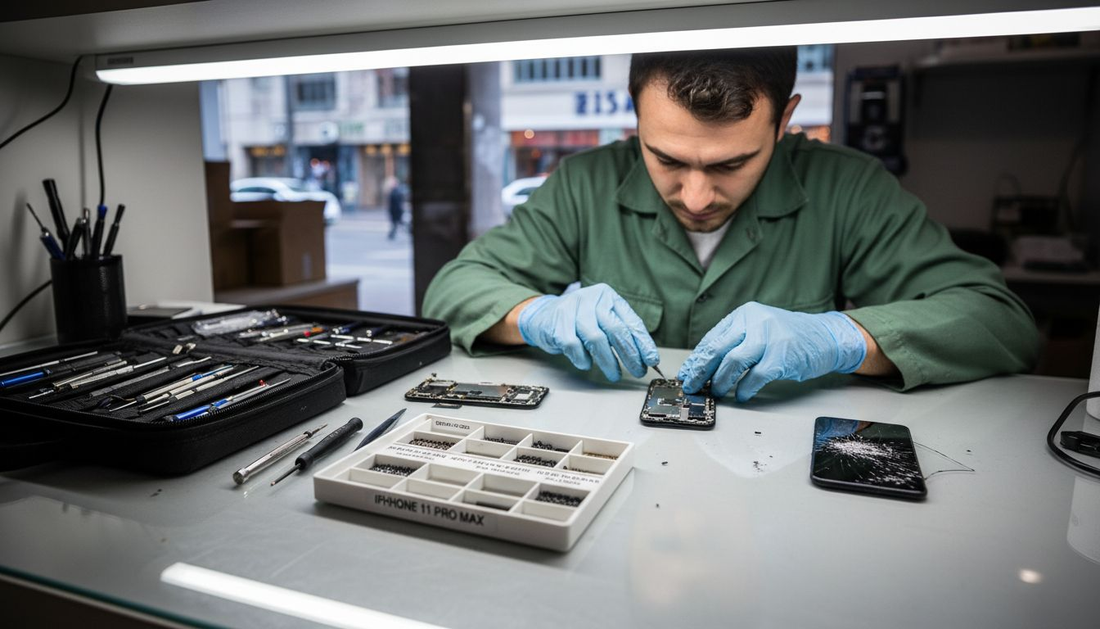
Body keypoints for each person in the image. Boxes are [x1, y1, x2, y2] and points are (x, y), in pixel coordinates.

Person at [423, 48, 1039, 401]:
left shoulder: (848, 187)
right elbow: (452, 290)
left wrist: (843, 338)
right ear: (634, 115)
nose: (694, 196)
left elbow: (1000, 321)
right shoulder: (585, 183)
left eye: (732, 163)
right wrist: (536, 314)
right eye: (666, 158)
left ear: (785, 118)